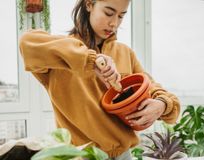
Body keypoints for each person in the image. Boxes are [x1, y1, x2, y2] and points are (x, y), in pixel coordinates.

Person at [19, 0, 180, 159]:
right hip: (81, 156)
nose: (114, 23)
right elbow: (27, 42)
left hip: (123, 156)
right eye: (108, 13)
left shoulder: (125, 53)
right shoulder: (61, 54)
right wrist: (89, 59)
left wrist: (163, 104)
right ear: (89, 4)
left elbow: (163, 97)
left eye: (121, 16)